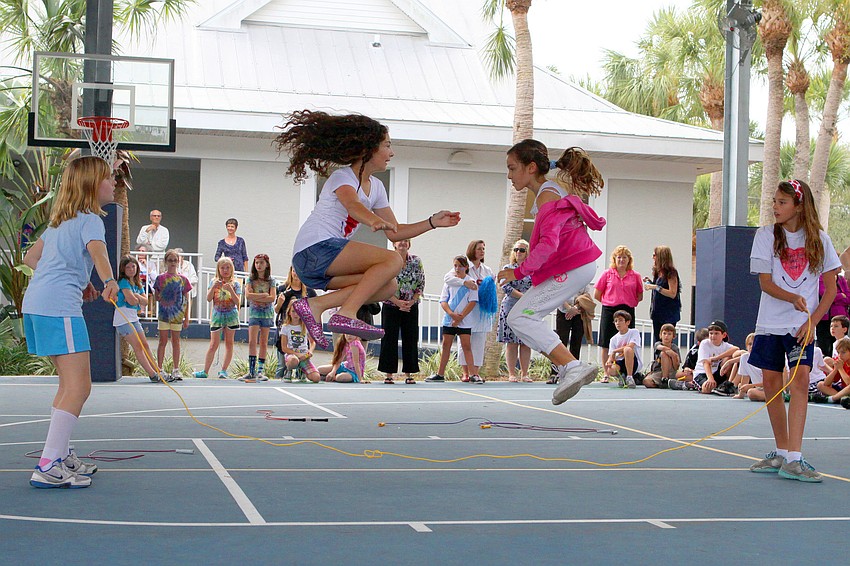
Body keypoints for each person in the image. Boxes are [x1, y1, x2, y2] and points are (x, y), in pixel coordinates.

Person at [274, 110, 460, 349]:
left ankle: (316, 306)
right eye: (387, 145)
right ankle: (347, 312)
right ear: (369, 148)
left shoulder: (378, 188)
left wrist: (432, 222)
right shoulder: (343, 177)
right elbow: (352, 205)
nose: (391, 152)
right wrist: (371, 219)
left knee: (389, 285)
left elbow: (395, 232)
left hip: (321, 269)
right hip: (313, 250)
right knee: (393, 260)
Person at [22, 156, 118, 488]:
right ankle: (48, 465)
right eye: (109, 178)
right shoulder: (91, 220)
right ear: (93, 185)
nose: (114, 182)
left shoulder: (61, 222)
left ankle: (59, 455)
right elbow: (98, 253)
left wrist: (79, 281)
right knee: (80, 386)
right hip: (58, 307)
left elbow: (30, 258)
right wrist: (107, 282)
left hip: (37, 303)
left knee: (68, 386)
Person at [748, 179, 841, 482]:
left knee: (800, 380)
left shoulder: (821, 241)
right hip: (769, 324)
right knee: (772, 385)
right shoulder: (765, 236)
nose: (775, 207)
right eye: (774, 201)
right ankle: (781, 451)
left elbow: (830, 290)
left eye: (782, 202)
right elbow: (765, 283)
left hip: (802, 326)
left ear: (799, 206)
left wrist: (812, 320)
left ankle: (795, 458)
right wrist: (792, 298)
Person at [497, 141, 605, 404]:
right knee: (522, 318)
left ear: (531, 167)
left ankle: (572, 367)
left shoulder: (547, 195)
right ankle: (569, 367)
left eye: (512, 168)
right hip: (577, 266)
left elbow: (549, 244)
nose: (509, 175)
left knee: (520, 318)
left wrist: (518, 272)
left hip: (576, 266)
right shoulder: (548, 192)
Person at [446, 240, 496, 381]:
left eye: (483, 249)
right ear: (472, 250)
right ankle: (466, 373)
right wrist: (464, 282)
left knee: (479, 341)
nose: (482, 251)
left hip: (481, 310)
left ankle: (476, 372)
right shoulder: (464, 266)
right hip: (467, 309)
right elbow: (448, 278)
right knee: (465, 341)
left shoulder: (487, 270)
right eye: (479, 248)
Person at [426, 256, 480, 383]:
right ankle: (440, 374)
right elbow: (443, 300)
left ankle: (473, 374)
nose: (457, 269)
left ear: (466, 267)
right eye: (455, 266)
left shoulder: (471, 283)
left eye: (460, 266)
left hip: (465, 321)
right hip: (449, 319)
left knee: (467, 346)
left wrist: (461, 317)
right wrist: (452, 314)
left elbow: (472, 301)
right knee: (446, 345)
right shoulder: (450, 282)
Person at [378, 239, 424, 385]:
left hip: (411, 305)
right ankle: (389, 374)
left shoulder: (416, 261)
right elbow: (381, 284)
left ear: (409, 244)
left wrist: (412, 301)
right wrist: (397, 302)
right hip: (391, 304)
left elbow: (421, 283)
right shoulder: (387, 260)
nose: (403, 243)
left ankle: (409, 374)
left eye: (406, 241)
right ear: (394, 244)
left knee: (410, 338)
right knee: (389, 339)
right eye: (400, 241)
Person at [113, 255, 162, 383]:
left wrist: (137, 297)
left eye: (133, 266)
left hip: (133, 317)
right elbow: (131, 300)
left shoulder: (137, 282)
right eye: (127, 267)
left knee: (145, 344)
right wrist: (136, 298)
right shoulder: (123, 282)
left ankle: (158, 370)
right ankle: (152, 374)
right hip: (123, 318)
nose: (131, 269)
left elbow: (145, 301)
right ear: (123, 269)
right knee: (138, 346)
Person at [194, 257, 242, 379]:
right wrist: (213, 287)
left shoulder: (236, 283)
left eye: (228, 268)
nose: (225, 270)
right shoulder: (214, 281)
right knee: (213, 344)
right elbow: (209, 298)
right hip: (217, 315)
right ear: (218, 269)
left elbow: (238, 302)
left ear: (232, 269)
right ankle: (205, 371)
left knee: (229, 343)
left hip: (231, 315)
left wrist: (230, 289)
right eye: (222, 268)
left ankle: (224, 370)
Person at [595, 246, 643, 367]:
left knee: (628, 342)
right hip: (609, 310)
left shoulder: (635, 275)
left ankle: (627, 371)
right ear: (614, 259)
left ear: (629, 260)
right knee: (606, 343)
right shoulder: (607, 274)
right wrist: (610, 300)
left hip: (627, 310)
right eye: (619, 257)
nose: (621, 260)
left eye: (624, 257)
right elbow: (597, 294)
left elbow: (640, 295)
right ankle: (607, 372)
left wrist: (629, 301)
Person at [153, 249, 192, 381]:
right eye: (170, 260)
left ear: (179, 262)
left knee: (176, 341)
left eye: (175, 260)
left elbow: (187, 299)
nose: (173, 263)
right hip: (164, 314)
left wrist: (187, 317)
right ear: (166, 262)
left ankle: (176, 369)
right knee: (162, 341)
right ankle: (159, 368)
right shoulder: (160, 278)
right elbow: (157, 297)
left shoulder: (183, 279)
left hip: (177, 315)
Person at [498, 240, 533, 382]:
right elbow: (504, 286)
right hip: (511, 306)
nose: (519, 252)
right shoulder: (508, 268)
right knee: (511, 342)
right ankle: (511, 373)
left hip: (528, 308)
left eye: (522, 250)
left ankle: (524, 373)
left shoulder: (532, 269)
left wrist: (528, 299)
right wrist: (522, 296)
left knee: (526, 342)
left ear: (527, 253)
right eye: (516, 249)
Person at [274, 267, 317, 378]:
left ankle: (302, 375)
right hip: (285, 329)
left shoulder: (309, 292)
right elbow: (276, 310)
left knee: (301, 363)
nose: (296, 274)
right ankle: (279, 381)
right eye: (294, 271)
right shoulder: (283, 289)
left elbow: (315, 310)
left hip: (302, 329)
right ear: (291, 272)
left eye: (299, 271)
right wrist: (280, 303)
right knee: (282, 365)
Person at [241, 254, 276, 382]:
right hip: (254, 313)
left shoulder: (271, 280)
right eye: (256, 263)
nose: (258, 265)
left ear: (266, 264)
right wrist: (263, 295)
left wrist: (258, 296)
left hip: (266, 313)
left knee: (263, 342)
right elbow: (248, 296)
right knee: (252, 341)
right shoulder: (251, 280)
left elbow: (272, 298)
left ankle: (260, 371)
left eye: (261, 263)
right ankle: (251, 371)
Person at [551, 287, 595, 383]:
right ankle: (555, 373)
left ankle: (574, 372)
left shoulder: (583, 277)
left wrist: (575, 307)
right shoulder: (562, 277)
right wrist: (568, 308)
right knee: (560, 342)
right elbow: (558, 293)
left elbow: (586, 295)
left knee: (576, 342)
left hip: (579, 312)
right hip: (563, 311)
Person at [644, 245, 681, 345]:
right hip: (657, 312)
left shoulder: (671, 273)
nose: (653, 257)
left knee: (666, 341)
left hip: (668, 314)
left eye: (654, 255)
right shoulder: (658, 272)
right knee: (657, 341)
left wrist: (655, 287)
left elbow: (672, 293)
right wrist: (650, 283)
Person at [692, 320, 738, 394]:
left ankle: (729, 384)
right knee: (707, 389)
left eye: (716, 333)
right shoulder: (705, 343)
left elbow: (736, 349)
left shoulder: (725, 345)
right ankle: (689, 385)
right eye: (711, 333)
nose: (713, 336)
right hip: (703, 373)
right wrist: (710, 378)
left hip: (716, 373)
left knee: (730, 358)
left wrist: (716, 358)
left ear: (724, 335)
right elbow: (706, 363)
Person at [279, 300, 319, 383]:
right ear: (289, 312)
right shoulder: (286, 327)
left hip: (304, 356)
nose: (296, 314)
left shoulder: (305, 326)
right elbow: (284, 348)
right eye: (293, 311)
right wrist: (297, 354)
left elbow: (312, 342)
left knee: (316, 378)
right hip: (292, 355)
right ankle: (288, 371)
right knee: (294, 360)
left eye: (298, 312)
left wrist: (310, 352)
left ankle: (302, 371)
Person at [603, 310, 643, 388]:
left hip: (633, 361)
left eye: (620, 320)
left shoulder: (634, 332)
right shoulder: (613, 339)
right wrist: (609, 361)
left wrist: (615, 351)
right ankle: (622, 376)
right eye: (616, 321)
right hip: (620, 362)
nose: (618, 323)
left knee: (627, 350)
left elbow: (630, 346)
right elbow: (611, 356)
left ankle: (629, 377)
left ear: (627, 322)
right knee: (611, 369)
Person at [816, 272, 849, 356]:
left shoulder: (841, 279)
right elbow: (825, 294)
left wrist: (833, 299)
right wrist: (841, 296)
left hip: (841, 316)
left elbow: (848, 298)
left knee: (841, 346)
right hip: (825, 319)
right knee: (825, 348)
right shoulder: (820, 278)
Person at [812, 336, 850, 406]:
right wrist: (835, 369)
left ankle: (832, 399)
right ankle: (842, 398)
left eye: (843, 353)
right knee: (820, 384)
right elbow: (826, 383)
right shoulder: (841, 362)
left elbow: (848, 382)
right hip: (843, 389)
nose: (840, 355)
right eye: (838, 352)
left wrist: (840, 369)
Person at [643, 323, 680, 389]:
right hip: (658, 371)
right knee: (646, 381)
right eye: (664, 333)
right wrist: (668, 350)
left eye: (669, 334)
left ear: (673, 336)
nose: (666, 336)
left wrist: (674, 356)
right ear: (660, 335)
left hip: (671, 371)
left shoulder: (675, 348)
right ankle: (660, 383)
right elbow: (659, 347)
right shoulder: (658, 344)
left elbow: (676, 367)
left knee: (664, 354)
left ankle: (665, 379)